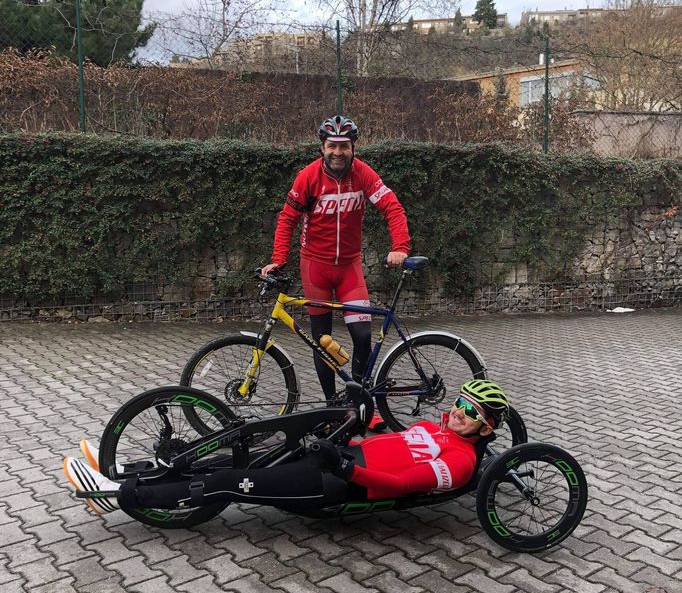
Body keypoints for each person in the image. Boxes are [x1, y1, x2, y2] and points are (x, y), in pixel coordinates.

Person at [63, 380, 509, 514]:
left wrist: (342, 465)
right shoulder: (438, 430)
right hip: (335, 455)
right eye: (460, 402)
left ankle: (118, 496)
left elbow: (396, 484)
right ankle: (131, 471)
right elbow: (387, 441)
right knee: (239, 455)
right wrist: (361, 415)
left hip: (334, 484)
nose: (458, 412)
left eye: (472, 412)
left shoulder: (459, 461)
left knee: (226, 482)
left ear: (486, 428)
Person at [260, 116, 411, 424]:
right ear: (322, 148)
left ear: (353, 148)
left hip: (349, 269)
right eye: (332, 146)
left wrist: (400, 247)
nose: (338, 152)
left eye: (344, 146)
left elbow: (392, 207)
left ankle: (361, 406)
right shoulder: (308, 177)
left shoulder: (364, 174)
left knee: (362, 336)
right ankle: (332, 408)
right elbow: (288, 219)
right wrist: (278, 259)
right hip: (315, 267)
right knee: (322, 339)